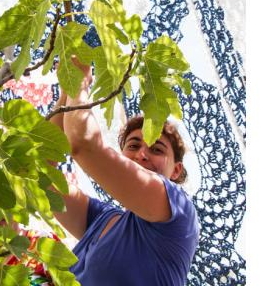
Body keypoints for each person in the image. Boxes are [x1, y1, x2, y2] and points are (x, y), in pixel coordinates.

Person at [49, 59, 200, 286]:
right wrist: (66, 91)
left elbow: (84, 144)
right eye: (133, 146)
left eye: (156, 149)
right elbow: (38, 176)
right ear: (121, 155)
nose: (142, 154)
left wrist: (80, 82)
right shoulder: (102, 218)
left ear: (176, 170)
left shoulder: (179, 211)